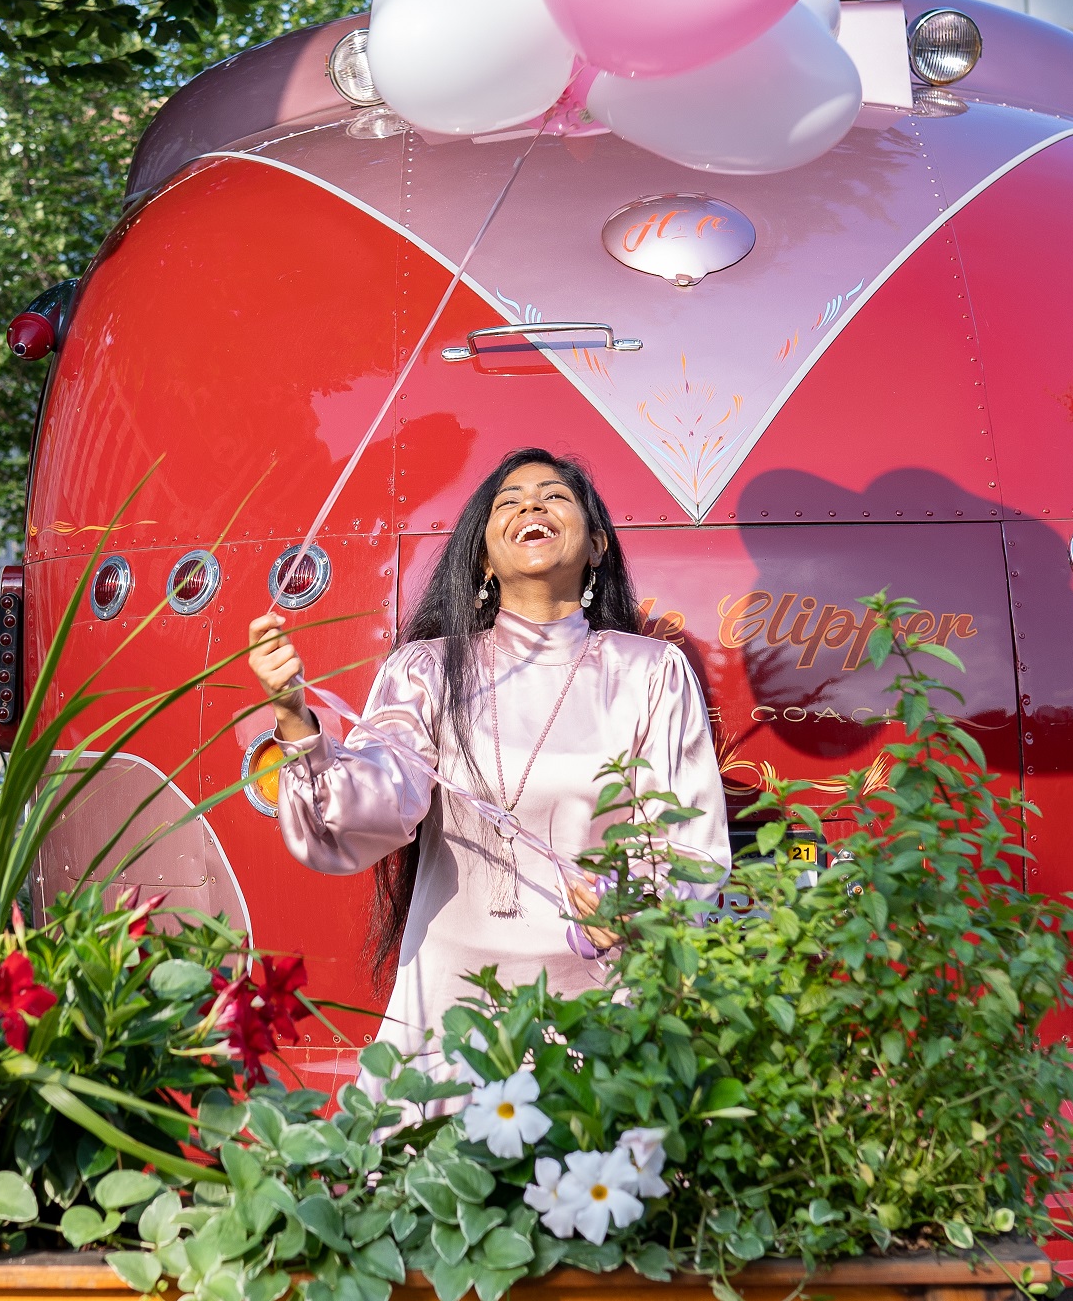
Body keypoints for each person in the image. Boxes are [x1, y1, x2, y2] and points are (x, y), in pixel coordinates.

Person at [247, 447, 728, 1058]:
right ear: (482, 557)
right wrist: (292, 715)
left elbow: (690, 843)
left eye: (555, 496)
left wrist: (634, 903)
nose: (531, 504)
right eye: (510, 501)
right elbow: (364, 807)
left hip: (600, 1002)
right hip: (449, 1005)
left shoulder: (651, 671)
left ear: (598, 546)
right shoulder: (425, 669)